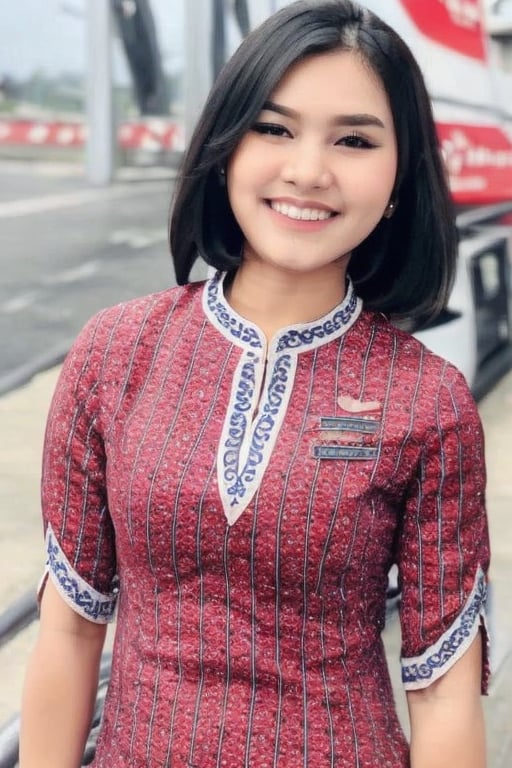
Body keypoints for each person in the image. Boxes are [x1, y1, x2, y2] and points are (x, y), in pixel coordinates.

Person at [20, 1, 491, 766]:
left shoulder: (428, 401)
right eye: (274, 128)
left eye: (355, 139)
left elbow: (441, 689)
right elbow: (71, 626)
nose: (308, 169)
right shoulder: (115, 353)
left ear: (401, 174)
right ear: (226, 146)